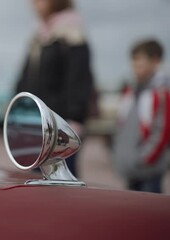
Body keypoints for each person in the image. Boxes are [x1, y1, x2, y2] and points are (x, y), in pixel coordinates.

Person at [15, 0, 94, 177]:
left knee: (61, 187)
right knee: (34, 183)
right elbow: (25, 79)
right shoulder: (39, 36)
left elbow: (79, 79)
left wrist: (74, 119)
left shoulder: (73, 34)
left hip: (61, 128)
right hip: (34, 126)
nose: (33, 4)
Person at [113, 39, 170, 193]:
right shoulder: (130, 92)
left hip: (148, 169)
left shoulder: (161, 93)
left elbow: (162, 130)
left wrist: (145, 158)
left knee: (150, 211)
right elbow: (122, 124)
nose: (136, 69)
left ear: (155, 61)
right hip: (131, 167)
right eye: (134, 64)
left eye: (141, 64)